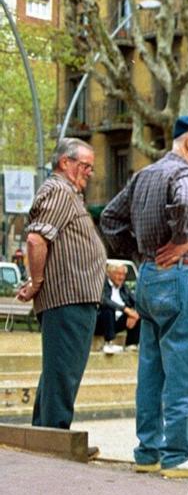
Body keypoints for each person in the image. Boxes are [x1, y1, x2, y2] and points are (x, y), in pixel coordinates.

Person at [100, 116, 188, 478]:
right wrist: (178, 240)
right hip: (184, 275)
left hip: (150, 279)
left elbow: (110, 217)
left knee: (152, 369)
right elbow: (186, 204)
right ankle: (179, 455)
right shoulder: (185, 174)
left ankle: (149, 452)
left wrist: (144, 253)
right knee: (186, 369)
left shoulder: (143, 175)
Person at [16, 138, 106, 430]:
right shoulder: (59, 190)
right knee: (63, 372)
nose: (89, 172)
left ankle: (46, 435)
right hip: (68, 298)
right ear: (65, 163)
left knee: (58, 371)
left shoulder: (66, 193)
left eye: (91, 167)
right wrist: (36, 280)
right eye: (84, 165)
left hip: (72, 298)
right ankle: (56, 437)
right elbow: (36, 238)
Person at [96, 261, 140, 354]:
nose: (121, 277)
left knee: (136, 314)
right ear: (110, 273)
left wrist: (134, 313)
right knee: (108, 309)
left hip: (117, 323)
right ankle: (109, 343)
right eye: (118, 274)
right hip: (102, 322)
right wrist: (125, 309)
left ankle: (131, 344)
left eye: (123, 275)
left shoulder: (124, 288)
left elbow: (136, 302)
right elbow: (103, 301)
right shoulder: (101, 285)